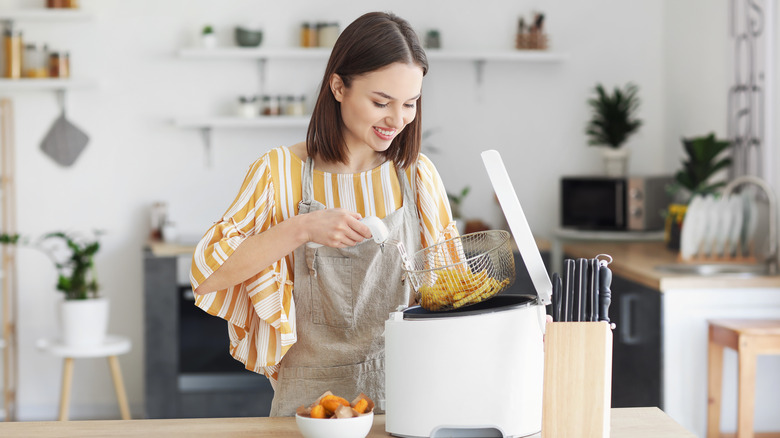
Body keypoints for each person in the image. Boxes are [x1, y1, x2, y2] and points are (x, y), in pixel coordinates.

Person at [190, 11, 455, 417]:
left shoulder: (417, 176)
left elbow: (452, 294)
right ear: (338, 86)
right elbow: (208, 275)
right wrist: (302, 228)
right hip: (307, 404)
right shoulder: (279, 172)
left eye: (410, 104)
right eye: (381, 102)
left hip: (406, 395)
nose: (397, 120)